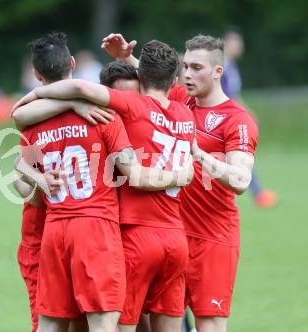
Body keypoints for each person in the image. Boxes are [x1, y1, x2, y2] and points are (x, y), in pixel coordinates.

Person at [12, 32, 193, 332]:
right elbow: (134, 171)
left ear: (35, 73)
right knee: (105, 323)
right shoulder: (108, 118)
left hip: (51, 234)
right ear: (73, 64)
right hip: (97, 232)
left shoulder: (31, 124)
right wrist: (180, 175)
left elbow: (24, 184)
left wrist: (35, 176)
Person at [101, 33, 258, 332]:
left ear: (218, 71)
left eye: (197, 68)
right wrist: (126, 59)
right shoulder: (181, 100)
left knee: (208, 324)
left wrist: (199, 155)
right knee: (146, 316)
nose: (187, 74)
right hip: (172, 235)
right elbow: (154, 83)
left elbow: (241, 179)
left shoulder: (236, 119)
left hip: (213, 238)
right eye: (185, 66)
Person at [222, 30, 277, 208]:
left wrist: (248, 111)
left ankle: (258, 193)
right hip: (224, 120)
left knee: (239, 157)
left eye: (240, 43)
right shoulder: (222, 66)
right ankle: (258, 194)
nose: (239, 46)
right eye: (235, 42)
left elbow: (235, 94)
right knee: (239, 156)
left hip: (231, 117)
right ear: (225, 43)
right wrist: (245, 112)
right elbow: (227, 97)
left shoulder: (232, 66)